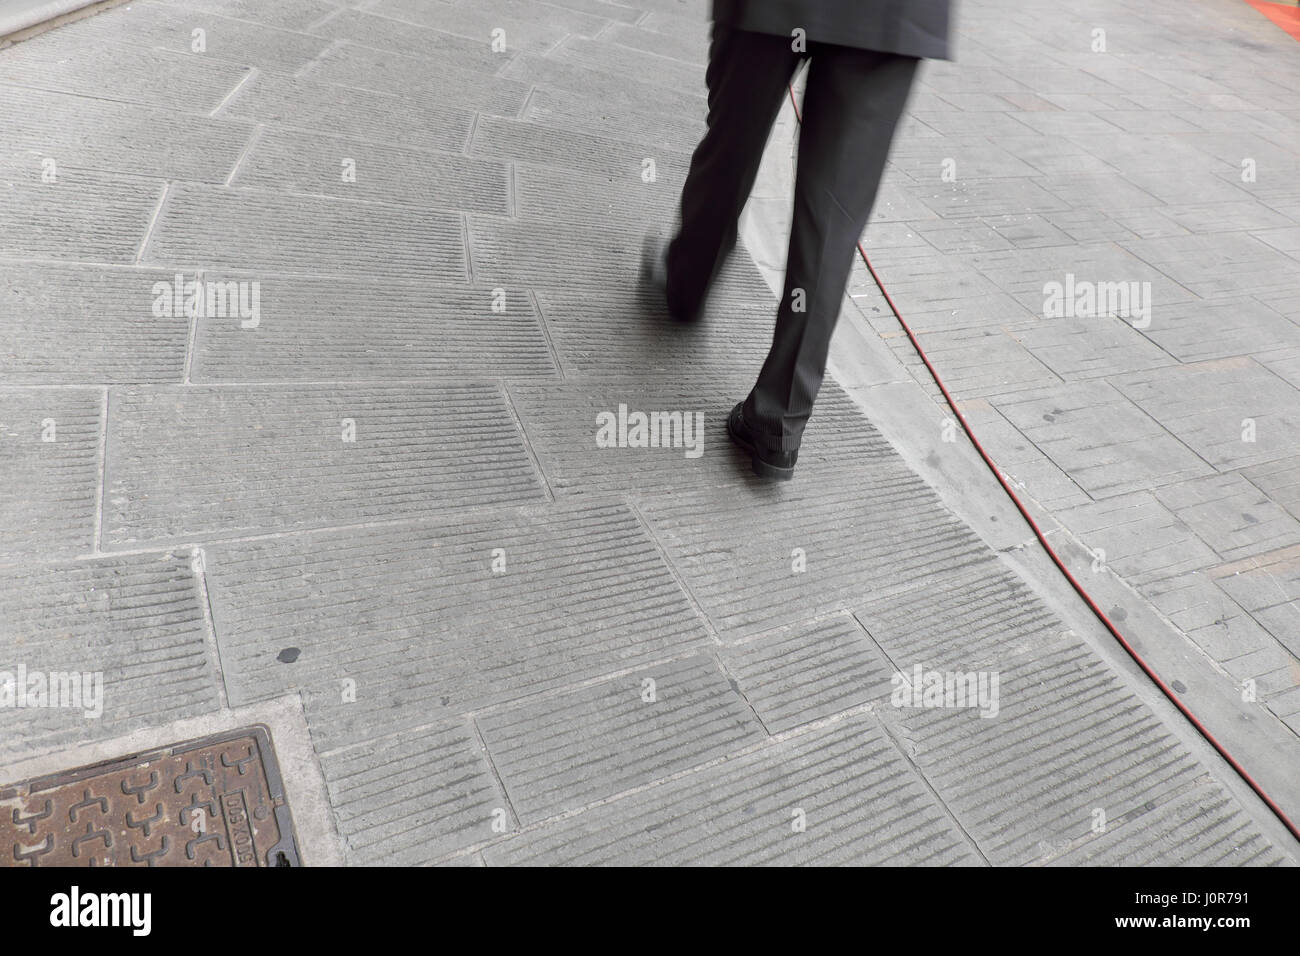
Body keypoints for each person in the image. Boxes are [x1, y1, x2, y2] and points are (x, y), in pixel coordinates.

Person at [642, 0, 953, 480]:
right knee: (832, 217)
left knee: (731, 146)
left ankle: (685, 286)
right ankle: (778, 420)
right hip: (890, 20)